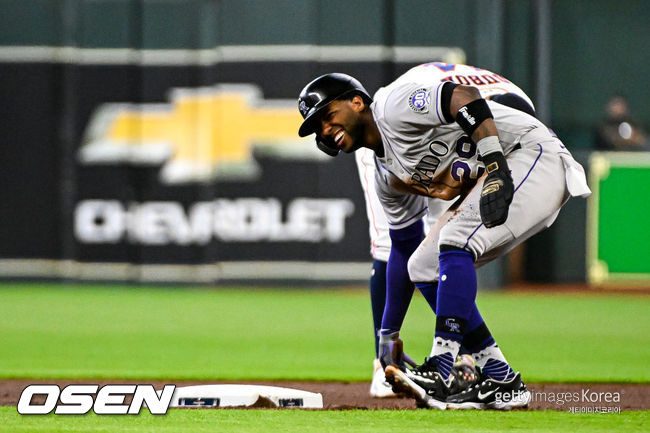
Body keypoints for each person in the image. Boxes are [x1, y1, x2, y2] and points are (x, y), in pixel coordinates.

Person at [297, 64, 591, 409]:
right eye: (318, 127)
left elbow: (464, 97)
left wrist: (495, 164)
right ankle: (500, 376)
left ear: (357, 102)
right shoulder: (386, 177)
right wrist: (388, 333)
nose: (326, 129)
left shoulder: (393, 105)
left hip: (529, 155)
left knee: (455, 239)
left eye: (328, 115)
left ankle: (441, 366)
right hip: (500, 175)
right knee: (423, 265)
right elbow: (404, 252)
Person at [354, 63, 538, 398]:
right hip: (398, 134)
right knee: (395, 245)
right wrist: (388, 331)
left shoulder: (518, 113)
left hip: (448, 134)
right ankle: (383, 363)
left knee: (452, 242)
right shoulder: (401, 109)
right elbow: (402, 245)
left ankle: (467, 357)